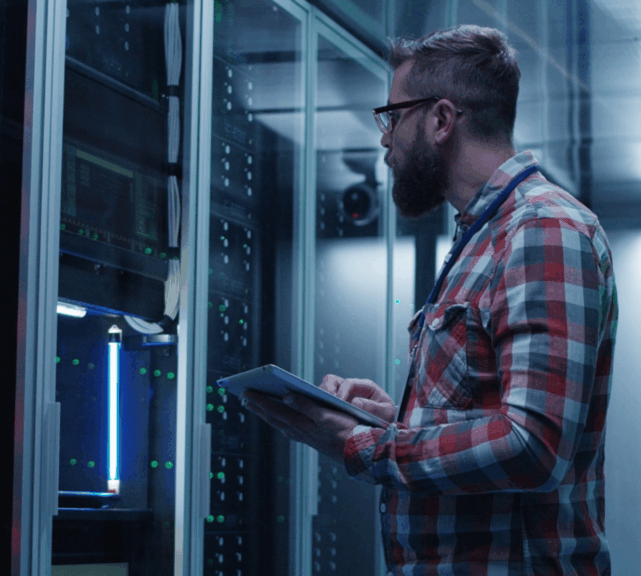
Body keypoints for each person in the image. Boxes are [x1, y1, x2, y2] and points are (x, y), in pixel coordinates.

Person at [243, 24, 617, 576]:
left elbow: (533, 445)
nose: (384, 139)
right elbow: (490, 411)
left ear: (441, 120)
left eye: (393, 117)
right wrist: (395, 421)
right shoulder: (483, 236)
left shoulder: (544, 229)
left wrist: (363, 444)